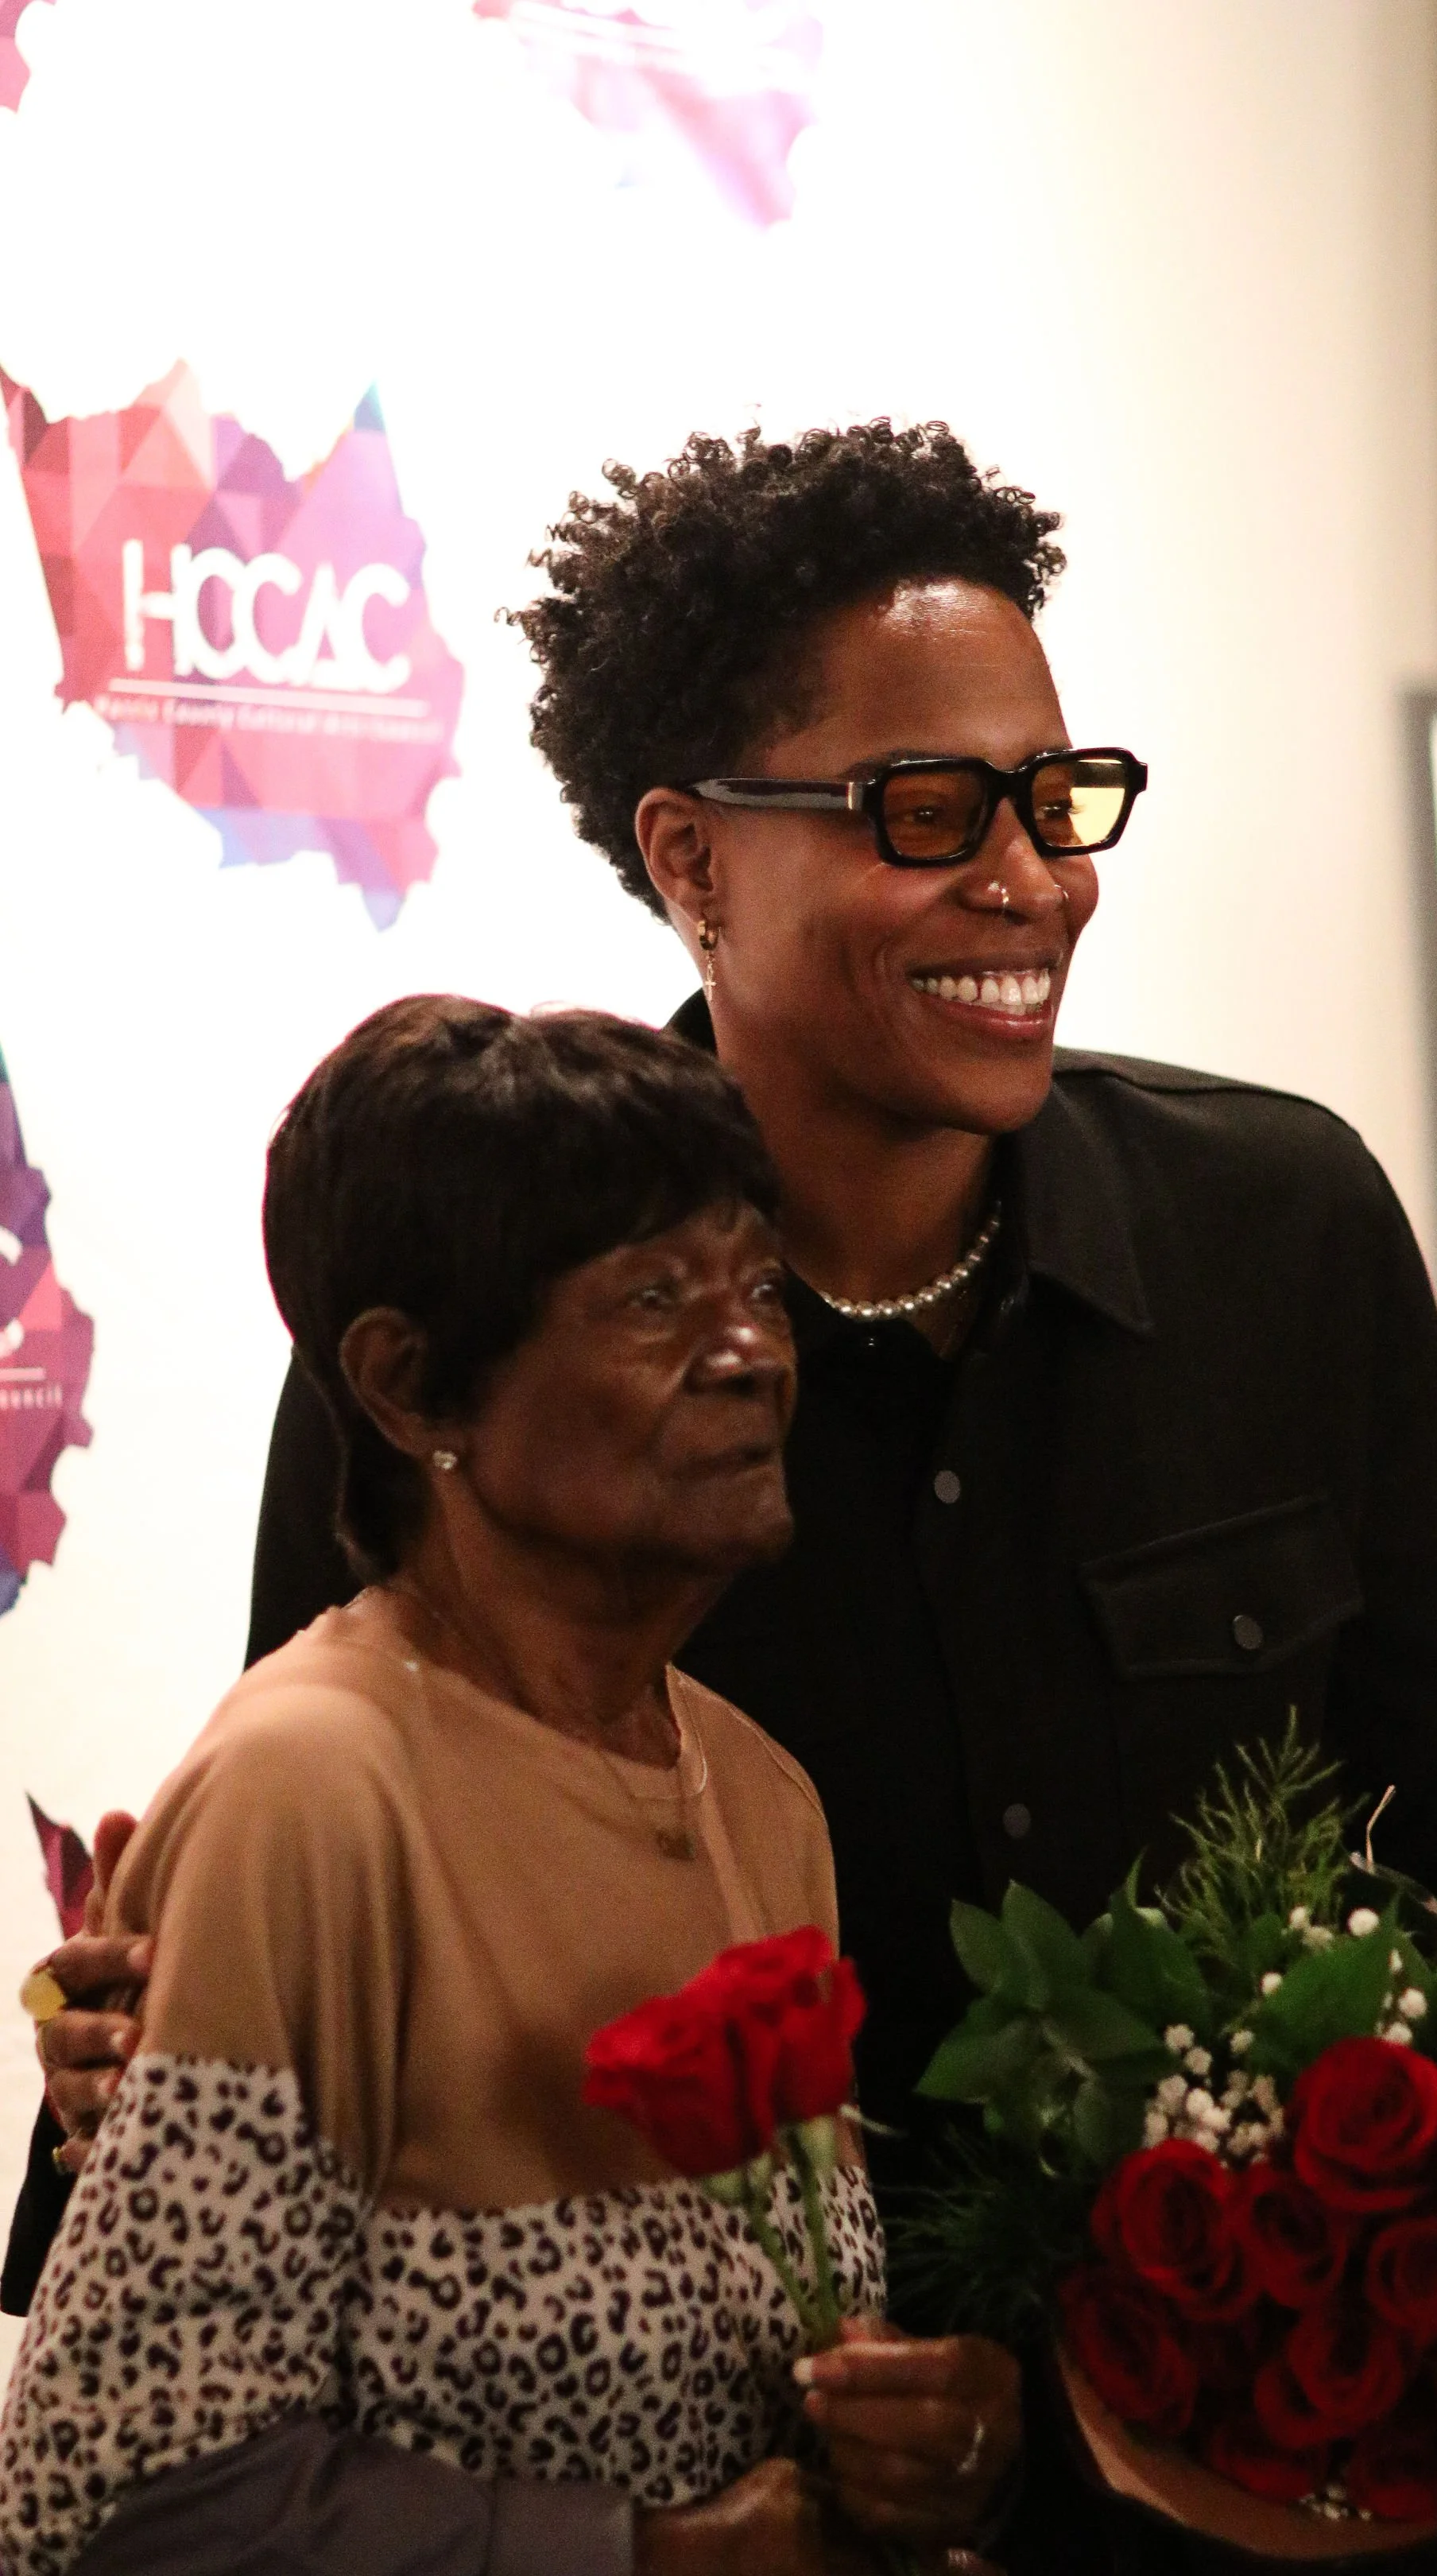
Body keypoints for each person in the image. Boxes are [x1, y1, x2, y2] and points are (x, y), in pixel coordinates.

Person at [14, 421, 1437, 2569]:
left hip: (1273, 2492)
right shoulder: (478, 1341)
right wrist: (146, 2068)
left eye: (1059, 795)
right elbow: (309, 1889)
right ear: (696, 858)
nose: (1030, 876)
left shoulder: (1280, 1232)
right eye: (929, 811)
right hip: (753, 2515)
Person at [0, 998, 1020, 2576]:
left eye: (761, 1285)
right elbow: (123, 2494)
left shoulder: (761, 1798)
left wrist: (907, 2441)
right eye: (654, 1298)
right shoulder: (313, 1790)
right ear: (412, 1392)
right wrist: (658, 2556)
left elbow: (763, 2364)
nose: (749, 1350)